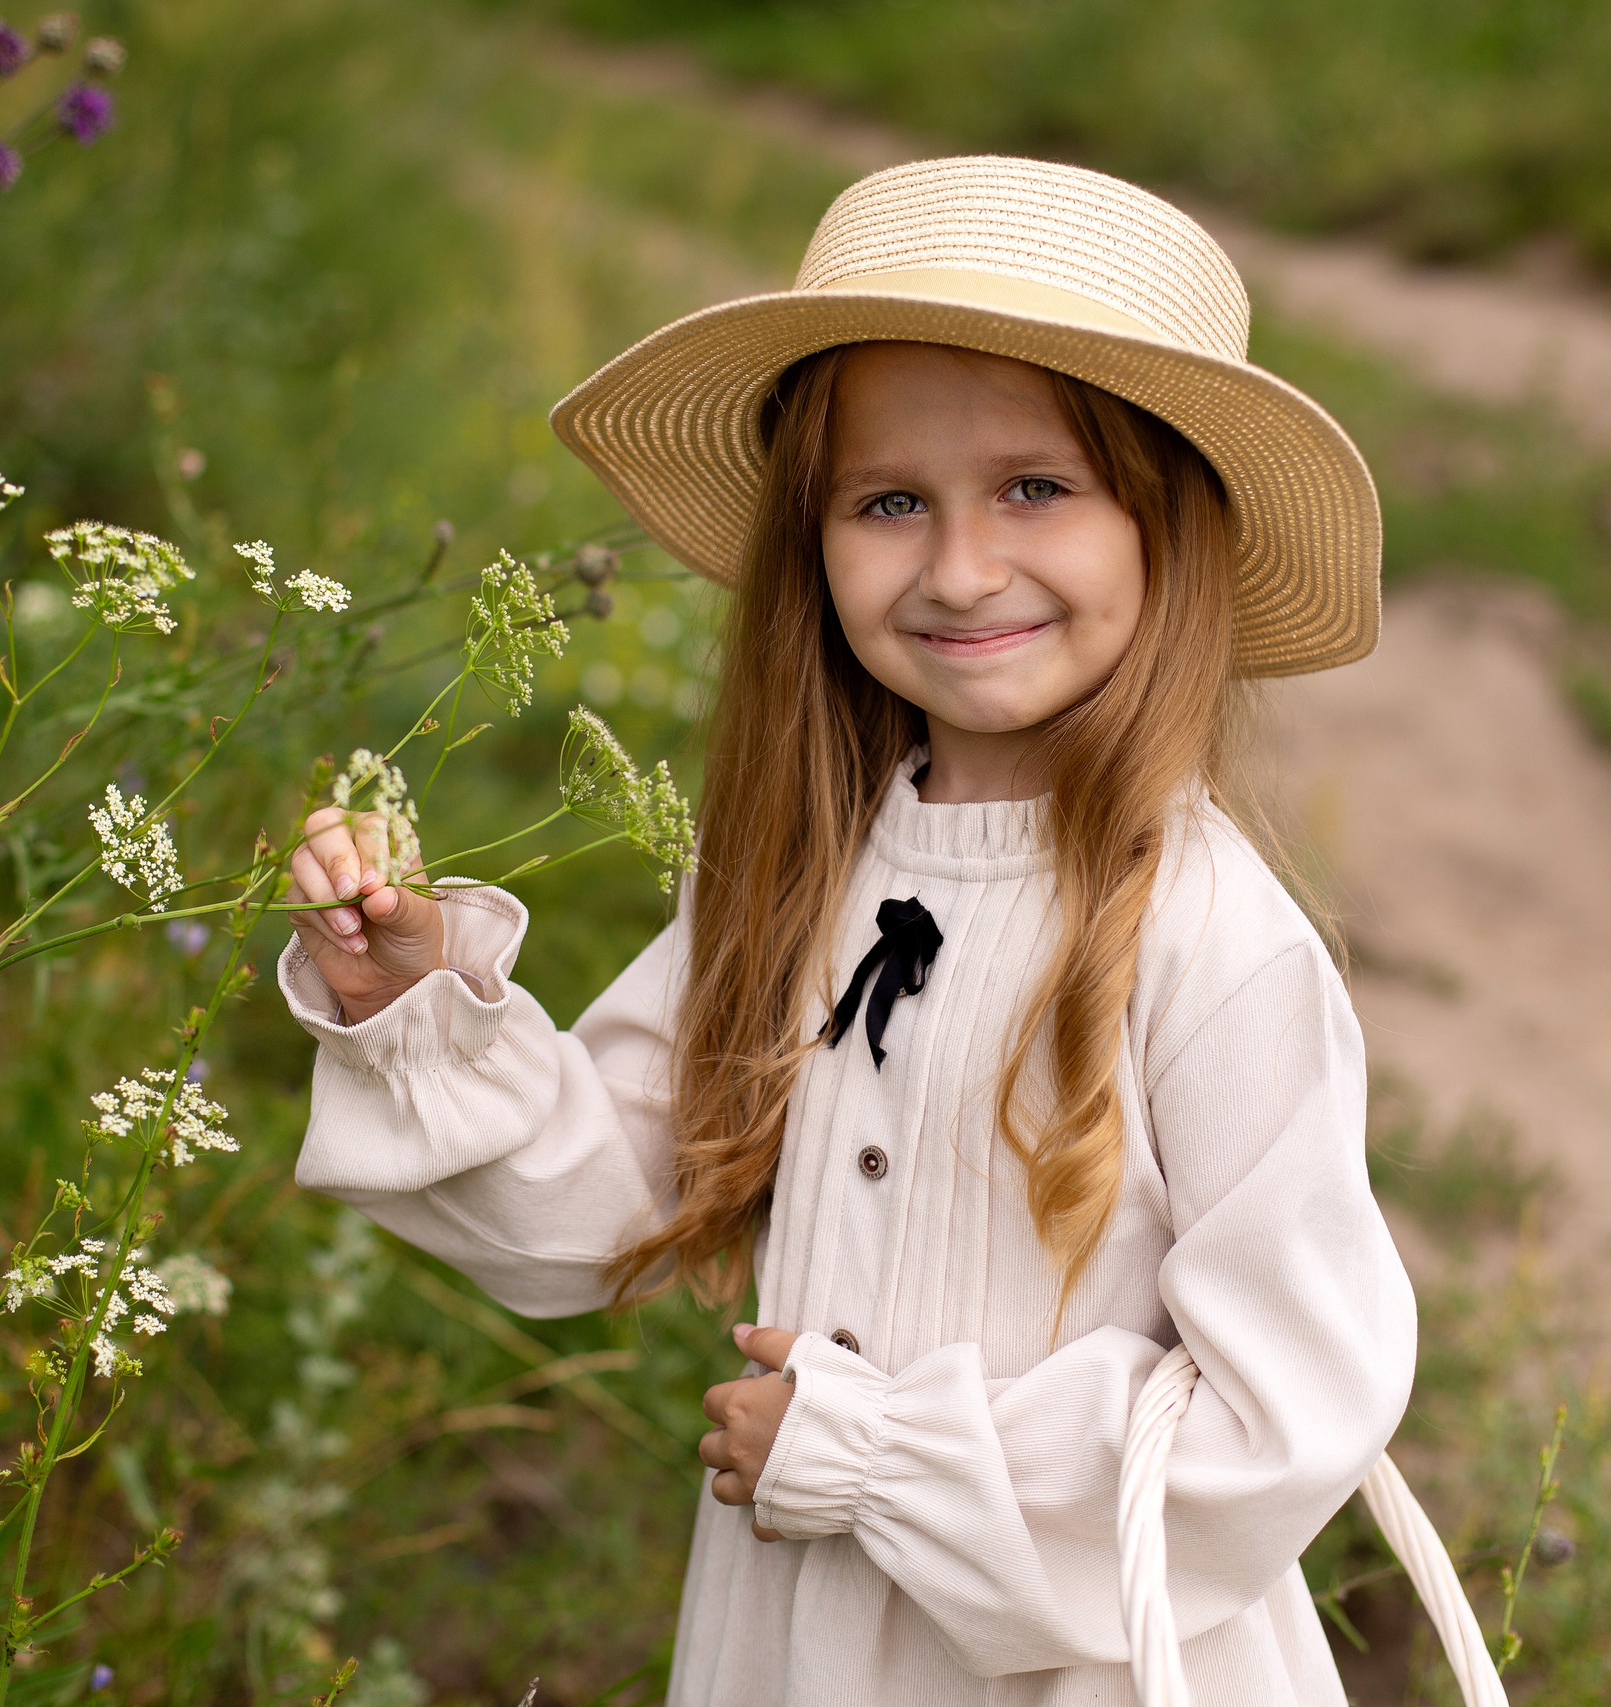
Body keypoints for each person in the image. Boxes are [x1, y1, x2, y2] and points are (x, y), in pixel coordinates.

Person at [279, 155, 1416, 1706]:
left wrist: (874, 1454)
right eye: (889, 502)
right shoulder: (796, 868)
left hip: (1087, 1663)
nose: (959, 569)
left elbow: (1292, 1403)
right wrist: (422, 1007)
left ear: (1170, 525)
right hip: (801, 1649)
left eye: (1036, 486)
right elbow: (607, 1200)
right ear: (810, 546)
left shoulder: (1209, 939)